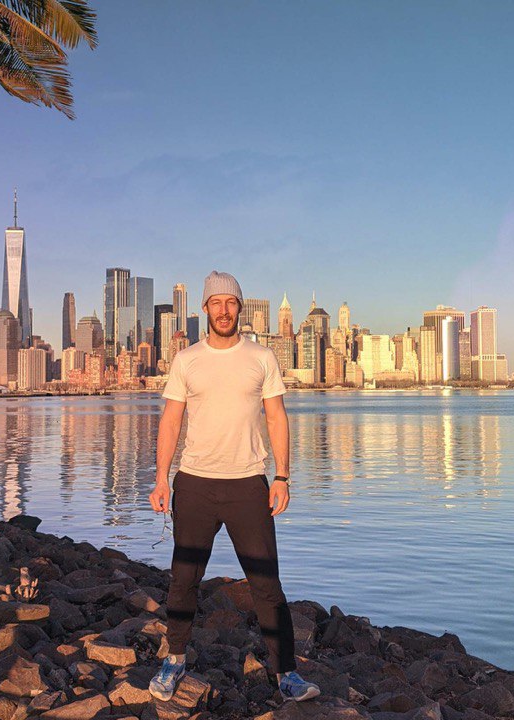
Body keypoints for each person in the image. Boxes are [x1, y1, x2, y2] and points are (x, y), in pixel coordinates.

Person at [147, 270, 320, 703]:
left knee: (266, 583)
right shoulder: (187, 360)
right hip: (195, 483)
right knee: (184, 578)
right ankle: (175, 660)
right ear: (204, 309)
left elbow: (277, 417)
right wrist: (160, 479)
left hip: (248, 484)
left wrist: (282, 475)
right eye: (215, 303)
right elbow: (170, 421)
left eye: (231, 303)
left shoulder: (262, 357)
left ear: (240, 308)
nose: (223, 310)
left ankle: (287, 674)